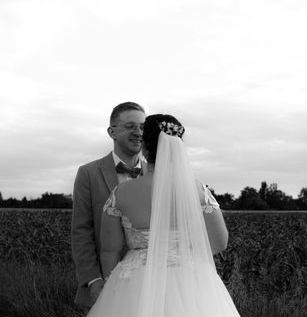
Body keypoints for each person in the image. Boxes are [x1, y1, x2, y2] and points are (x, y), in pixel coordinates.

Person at [86, 114, 241, 317]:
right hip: (191, 279)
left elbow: (110, 249)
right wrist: (182, 253)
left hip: (135, 283)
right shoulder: (197, 190)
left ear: (145, 148)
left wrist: (111, 288)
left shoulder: (122, 193)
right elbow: (220, 242)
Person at [71, 102, 147, 308]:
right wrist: (93, 280)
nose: (138, 132)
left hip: (150, 281)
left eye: (142, 126)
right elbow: (81, 232)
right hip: (105, 280)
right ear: (112, 132)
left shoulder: (158, 173)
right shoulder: (88, 173)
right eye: (130, 126)